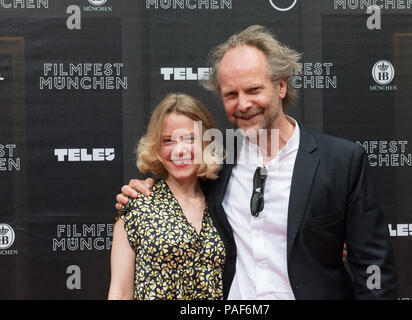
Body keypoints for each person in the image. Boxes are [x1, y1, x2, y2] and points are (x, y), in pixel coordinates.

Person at [115, 25, 397, 299]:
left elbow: (374, 272)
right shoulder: (217, 165)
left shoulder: (341, 162)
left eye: (253, 90)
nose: (243, 104)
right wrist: (141, 191)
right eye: (231, 94)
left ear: (281, 86)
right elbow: (179, 192)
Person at [108, 93, 225, 300]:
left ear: (207, 142)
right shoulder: (137, 205)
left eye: (189, 139)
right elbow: (120, 291)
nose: (179, 150)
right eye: (168, 140)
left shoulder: (225, 202)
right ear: (157, 148)